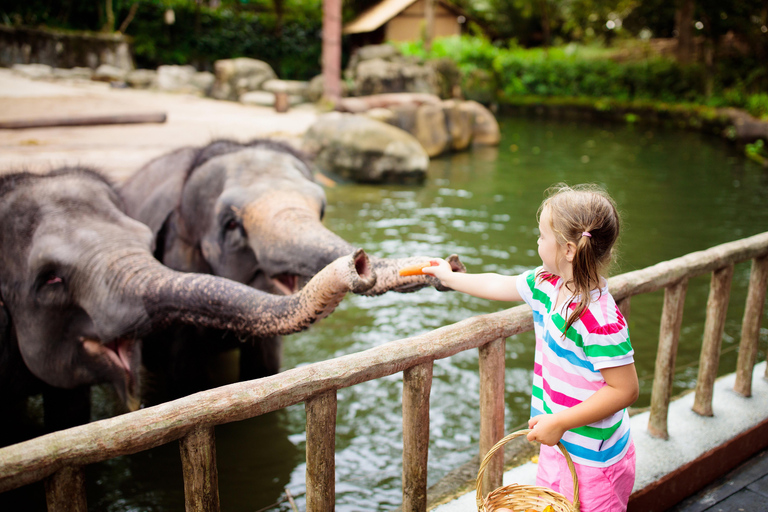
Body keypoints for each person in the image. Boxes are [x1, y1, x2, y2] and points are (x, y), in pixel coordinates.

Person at [422, 183, 639, 512]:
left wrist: (562, 421)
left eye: (541, 236)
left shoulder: (601, 321)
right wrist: (449, 277)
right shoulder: (546, 285)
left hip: (595, 458)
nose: (537, 242)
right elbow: (499, 282)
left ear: (568, 249)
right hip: (556, 440)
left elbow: (625, 390)